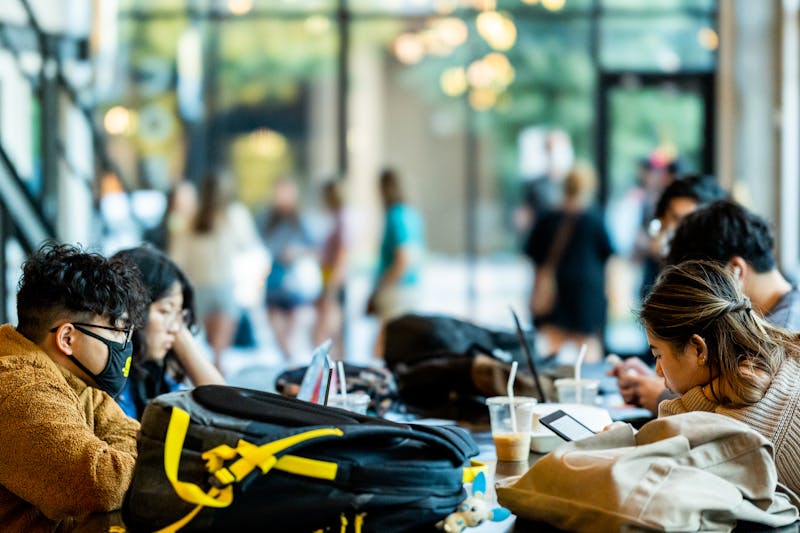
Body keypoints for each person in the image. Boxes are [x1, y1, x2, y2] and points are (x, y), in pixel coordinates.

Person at [0, 243, 146, 531]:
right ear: (67, 338)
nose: (125, 345)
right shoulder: (18, 389)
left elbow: (135, 435)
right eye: (117, 330)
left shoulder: (79, 382)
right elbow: (103, 483)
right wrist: (145, 463)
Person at [612, 201, 800, 413]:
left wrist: (661, 396)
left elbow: (739, 413)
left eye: (700, 283)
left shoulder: (781, 336)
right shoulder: (775, 318)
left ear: (735, 271)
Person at [639, 259, 800, 494]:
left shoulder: (728, 439)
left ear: (698, 349)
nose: (658, 371)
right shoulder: (785, 354)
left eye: (658, 355)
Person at [113, 245, 225, 420]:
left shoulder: (153, 375)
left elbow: (225, 407)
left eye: (180, 315)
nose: (175, 329)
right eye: (165, 311)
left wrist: (186, 345)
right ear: (130, 310)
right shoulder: (108, 380)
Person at [171, 173, 266, 372]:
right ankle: (217, 385)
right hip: (223, 287)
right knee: (218, 352)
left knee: (206, 349)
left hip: (199, 287)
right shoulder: (233, 216)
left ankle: (211, 385)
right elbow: (248, 244)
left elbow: (177, 258)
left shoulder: (189, 220)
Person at [524, 162, 613, 363]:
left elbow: (535, 262)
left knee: (550, 352)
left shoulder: (547, 218)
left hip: (555, 293)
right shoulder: (595, 219)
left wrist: (536, 292)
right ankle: (592, 392)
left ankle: (550, 390)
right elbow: (608, 259)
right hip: (587, 295)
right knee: (588, 351)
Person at [638, 174, 728, 298]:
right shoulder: (660, 263)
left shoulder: (717, 279)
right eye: (672, 217)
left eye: (686, 221)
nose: (673, 228)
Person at [366, 168, 425, 357]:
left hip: (397, 292)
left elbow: (403, 257)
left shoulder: (396, 216)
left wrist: (382, 286)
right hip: (411, 288)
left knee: (383, 348)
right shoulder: (411, 214)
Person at [263, 178, 320, 360]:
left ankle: (290, 357)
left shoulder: (302, 220)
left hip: (295, 281)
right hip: (275, 278)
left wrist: (297, 253)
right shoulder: (270, 220)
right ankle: (287, 356)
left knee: (293, 324)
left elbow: (314, 248)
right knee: (274, 322)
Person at [313, 179, 349, 357]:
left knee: (325, 334)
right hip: (329, 280)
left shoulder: (341, 219)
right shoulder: (335, 218)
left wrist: (331, 288)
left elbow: (342, 256)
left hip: (334, 283)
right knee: (333, 335)